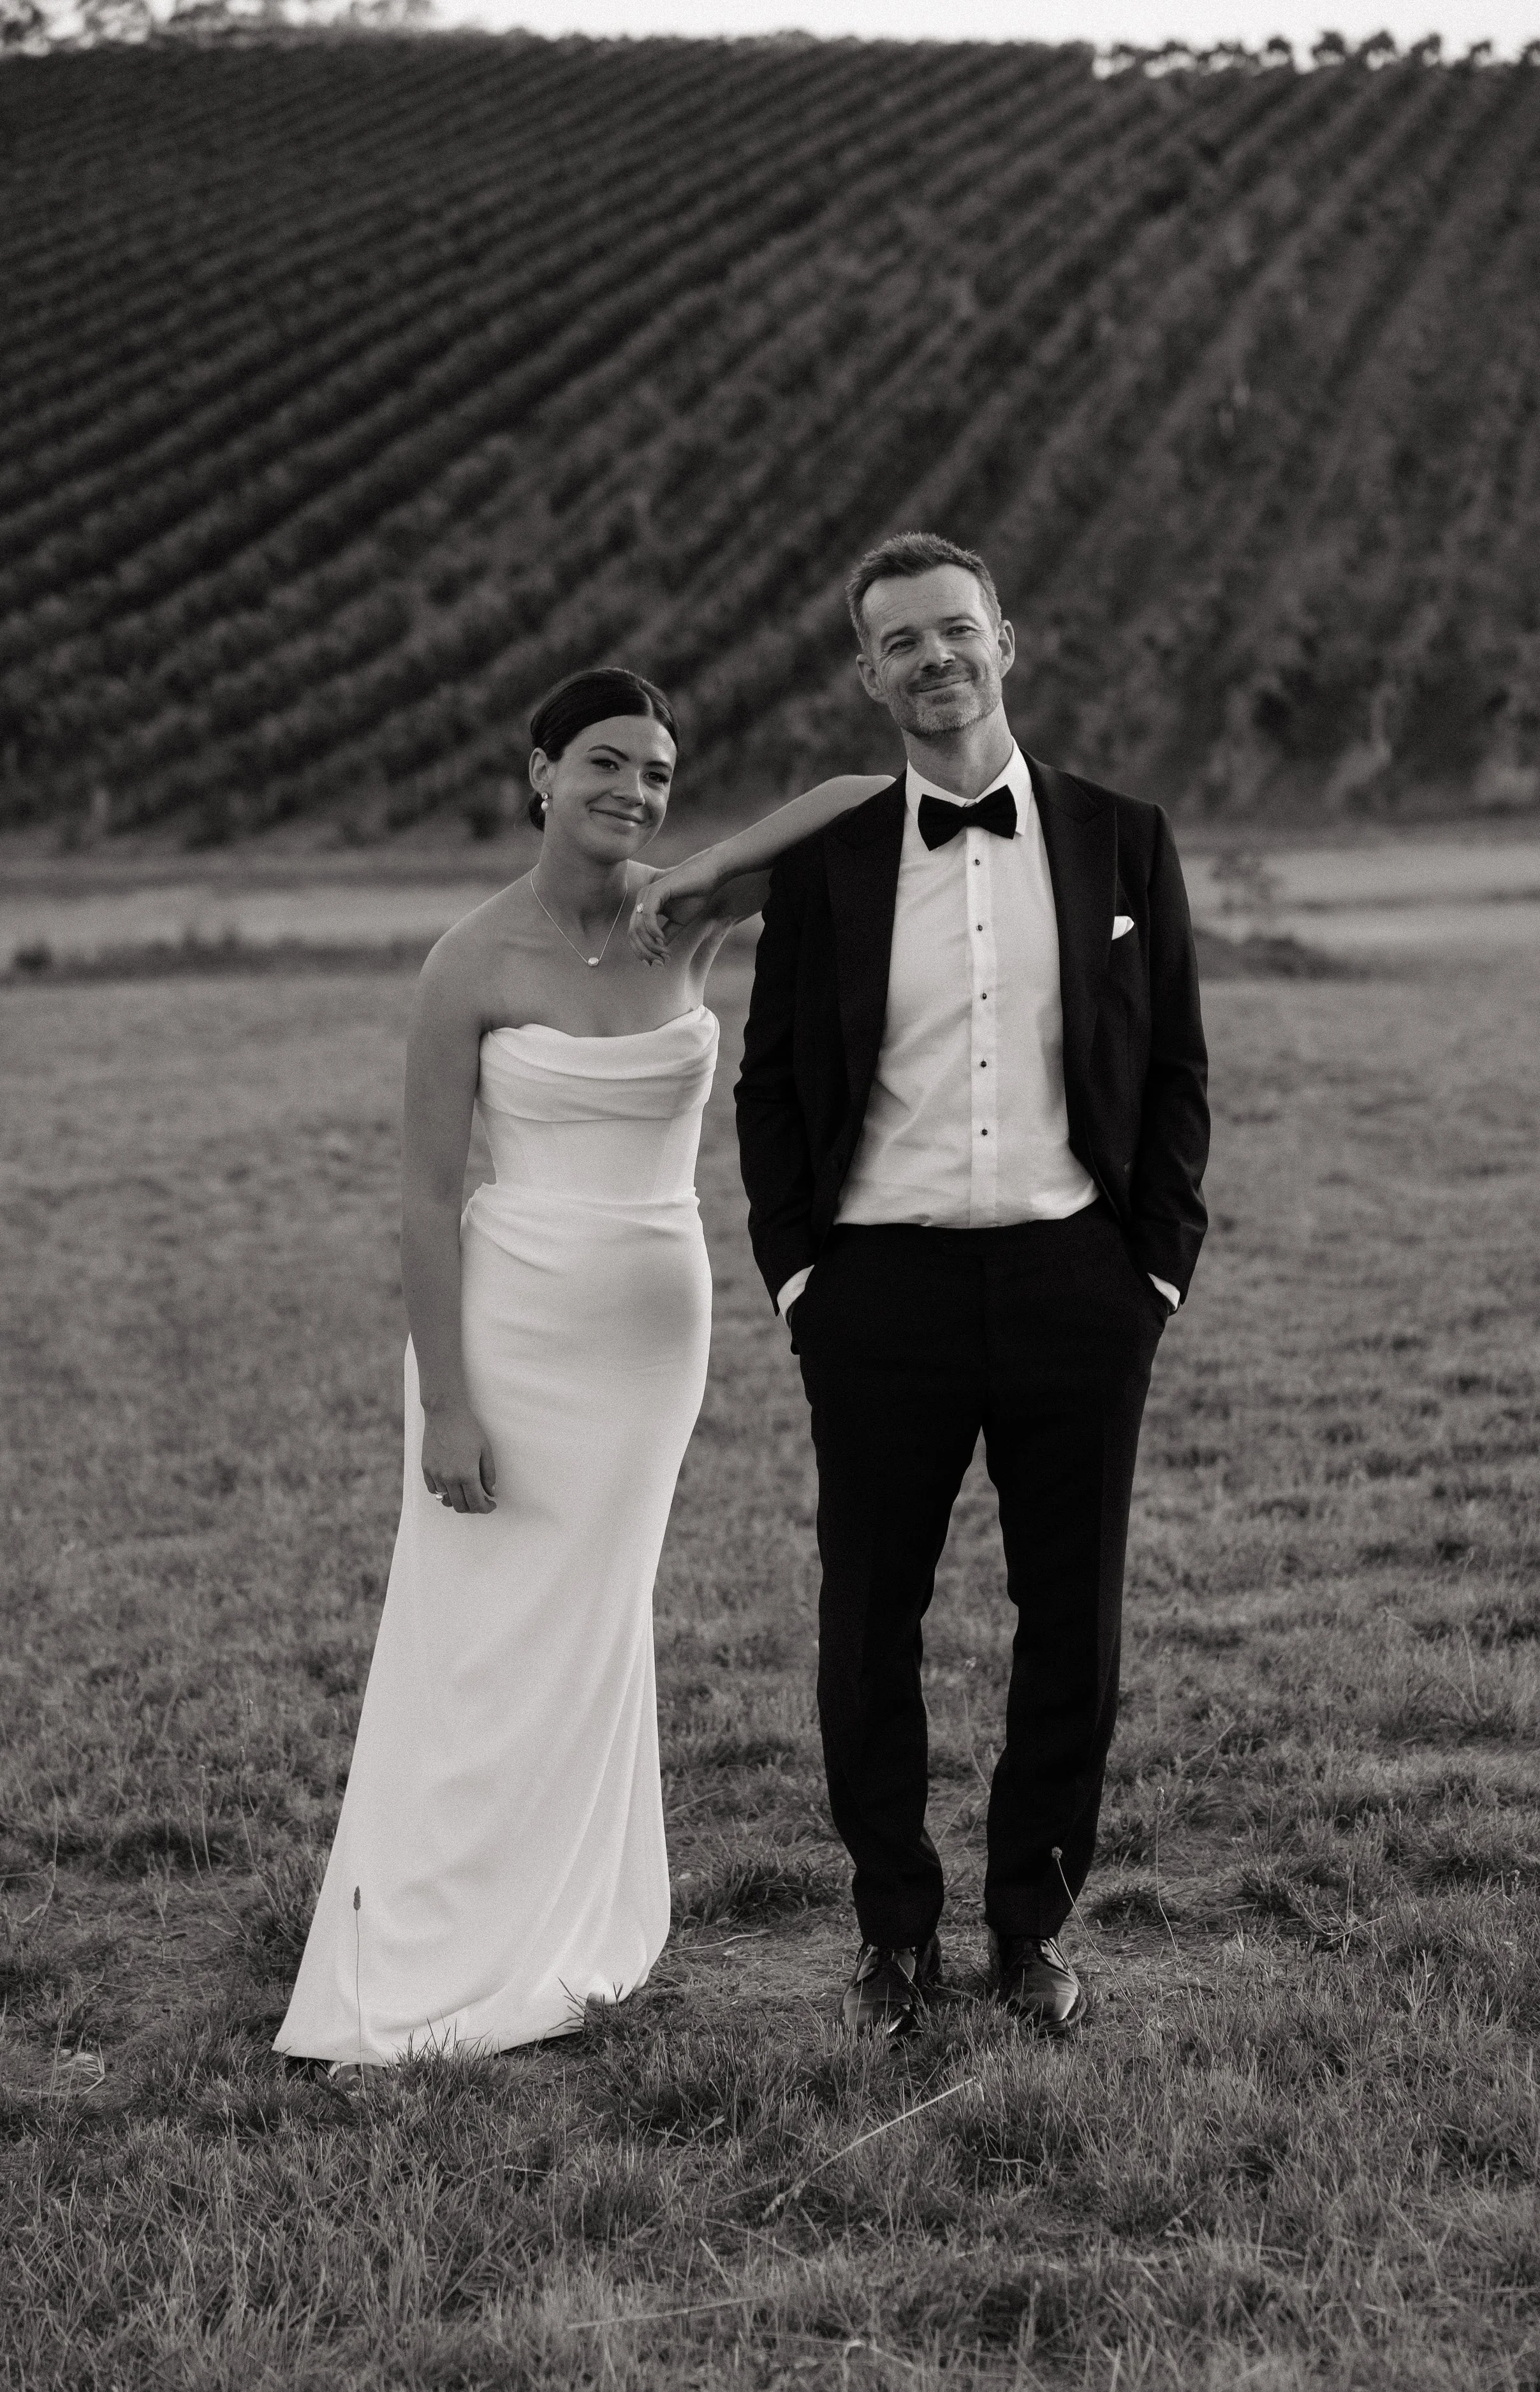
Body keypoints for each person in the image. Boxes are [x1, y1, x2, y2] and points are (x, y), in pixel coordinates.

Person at [632, 532, 1210, 2037]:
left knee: (1069, 1623)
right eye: (899, 642)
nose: (933, 660)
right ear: (866, 673)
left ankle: (1030, 1930)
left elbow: (1175, 1071)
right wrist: (799, 1278)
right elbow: (766, 1087)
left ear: (1006, 640)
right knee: (865, 1621)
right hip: (873, 1297)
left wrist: (1149, 1274)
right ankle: (893, 1932)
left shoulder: (1121, 837)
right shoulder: (827, 862)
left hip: (1077, 1284)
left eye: (955, 630)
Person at [275, 666, 879, 2071]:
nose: (632, 792)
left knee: (596, 1626)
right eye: (604, 762)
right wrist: (451, 1404)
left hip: (652, 1342)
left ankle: (573, 1916)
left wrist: (717, 862)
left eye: (658, 773)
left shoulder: (691, 917)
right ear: (539, 773)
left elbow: (872, 802)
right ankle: (433, 1938)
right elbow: (427, 1202)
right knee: (479, 1639)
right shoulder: (468, 963)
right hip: (507, 1332)